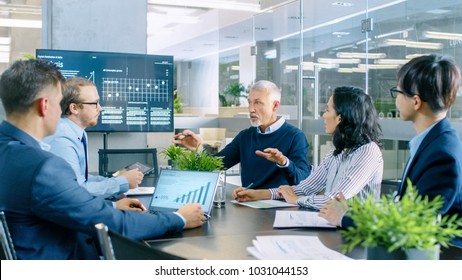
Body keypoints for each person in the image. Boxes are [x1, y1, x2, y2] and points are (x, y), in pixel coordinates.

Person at [0, 59, 206, 260]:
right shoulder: (43, 167)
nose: (60, 111)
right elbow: (115, 225)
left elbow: (65, 203)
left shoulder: (8, 151)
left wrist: (114, 206)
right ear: (45, 106)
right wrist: (179, 218)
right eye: (58, 102)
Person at [320, 54, 462, 249]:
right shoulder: (434, 142)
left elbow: (412, 226)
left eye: (398, 92)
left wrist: (345, 217)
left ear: (416, 101)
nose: (395, 99)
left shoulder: (442, 154)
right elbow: (405, 211)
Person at [233, 86, 383, 210]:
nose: (324, 115)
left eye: (327, 110)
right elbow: (304, 188)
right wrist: (258, 194)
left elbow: (336, 200)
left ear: (340, 117)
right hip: (334, 226)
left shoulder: (368, 151)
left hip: (358, 235)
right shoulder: (336, 154)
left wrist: (297, 200)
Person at [174, 80, 311, 189]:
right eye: (250, 102)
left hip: (278, 208)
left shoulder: (295, 137)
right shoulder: (245, 137)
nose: (251, 109)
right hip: (248, 205)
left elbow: (302, 180)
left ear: (275, 106)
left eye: (258, 103)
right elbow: (216, 165)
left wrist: (283, 161)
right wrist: (198, 148)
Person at [44, 77, 143, 198]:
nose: (100, 108)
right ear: (74, 108)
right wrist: (122, 182)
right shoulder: (62, 140)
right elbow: (77, 191)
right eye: (94, 104)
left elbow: (82, 178)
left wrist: (113, 183)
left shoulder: (75, 132)